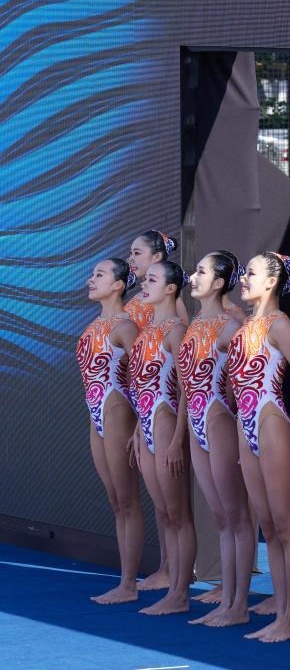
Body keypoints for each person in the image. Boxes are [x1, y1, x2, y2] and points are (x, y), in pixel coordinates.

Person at [228, 252, 290, 642]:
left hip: (272, 423)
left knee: (286, 527)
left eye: (250, 273)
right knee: (267, 526)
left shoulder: (280, 324)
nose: (243, 279)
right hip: (246, 427)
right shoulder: (247, 324)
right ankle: (281, 613)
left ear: (271, 281)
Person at [178, 251, 256, 626]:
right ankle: (228, 601)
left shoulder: (230, 326)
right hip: (197, 423)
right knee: (221, 518)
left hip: (219, 420)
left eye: (201, 272)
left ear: (220, 283)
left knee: (237, 516)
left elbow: (246, 381)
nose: (193, 277)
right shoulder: (196, 323)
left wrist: (245, 431)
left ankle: (239, 605)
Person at [128, 260, 196, 615]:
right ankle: (172, 584)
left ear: (170, 288)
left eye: (152, 280)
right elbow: (140, 385)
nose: (144, 284)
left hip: (167, 424)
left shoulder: (176, 330)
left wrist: (176, 439)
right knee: (165, 513)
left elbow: (186, 390)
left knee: (179, 513)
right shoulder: (147, 331)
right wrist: (138, 430)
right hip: (148, 426)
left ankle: (180, 594)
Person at [77, 258, 143, 603]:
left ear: (118, 285)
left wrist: (142, 424)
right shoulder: (94, 325)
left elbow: (143, 376)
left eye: (99, 275)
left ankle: (129, 585)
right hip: (97, 415)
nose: (91, 280)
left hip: (118, 413)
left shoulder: (125, 326)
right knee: (116, 500)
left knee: (127, 500)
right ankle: (125, 581)